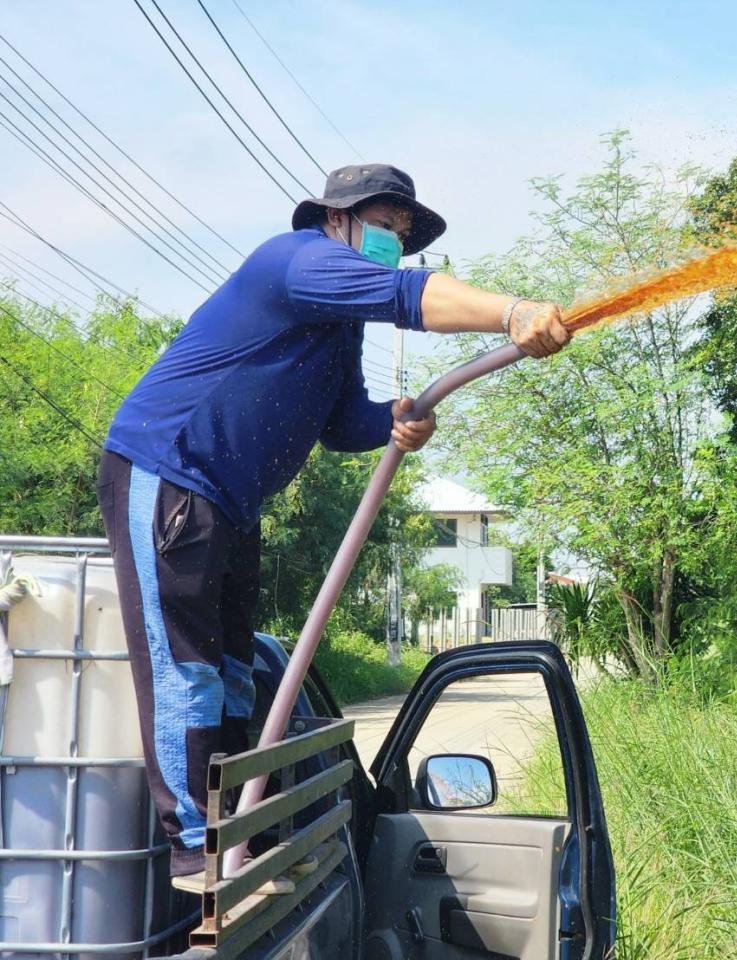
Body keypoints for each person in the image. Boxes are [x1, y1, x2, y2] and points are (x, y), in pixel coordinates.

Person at [94, 164, 569, 891]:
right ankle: (197, 846)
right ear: (338, 218)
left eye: (403, 236)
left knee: (231, 675)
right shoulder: (296, 263)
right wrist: (512, 311)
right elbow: (407, 296)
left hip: (229, 499)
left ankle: (240, 828)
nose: (393, 243)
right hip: (169, 468)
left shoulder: (336, 325)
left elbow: (340, 421)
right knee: (183, 666)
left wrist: (392, 421)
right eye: (386, 224)